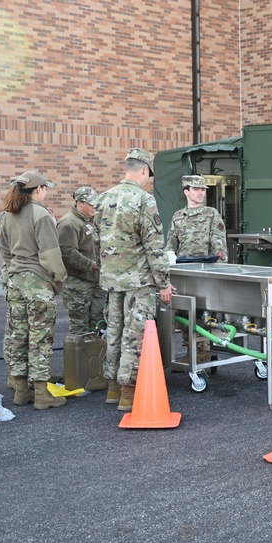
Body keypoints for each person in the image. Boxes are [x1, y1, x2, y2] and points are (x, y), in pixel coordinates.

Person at [93, 148, 175, 412]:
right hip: (139, 282)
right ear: (143, 170)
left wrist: (107, 271)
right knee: (134, 336)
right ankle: (128, 393)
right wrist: (163, 283)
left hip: (112, 281)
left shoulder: (102, 199)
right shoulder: (144, 200)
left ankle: (112, 389)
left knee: (114, 332)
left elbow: (96, 243)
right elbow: (154, 248)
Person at [0, 170, 68, 410]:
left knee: (18, 336)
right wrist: (59, 279)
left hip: (15, 281)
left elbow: (4, 252)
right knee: (40, 339)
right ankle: (41, 394)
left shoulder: (8, 214)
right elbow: (50, 255)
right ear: (38, 189)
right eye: (45, 188)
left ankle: (20, 391)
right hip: (36, 282)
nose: (46, 192)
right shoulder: (40, 215)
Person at [166, 174, 228, 363]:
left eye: (202, 190)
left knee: (203, 312)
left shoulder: (211, 214)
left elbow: (219, 245)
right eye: (196, 189)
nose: (200, 193)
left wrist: (220, 271)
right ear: (186, 192)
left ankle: (202, 351)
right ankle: (191, 351)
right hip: (184, 272)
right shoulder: (178, 216)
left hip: (205, 271)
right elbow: (170, 245)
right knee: (183, 313)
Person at [57, 186, 106, 335]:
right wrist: (91, 264)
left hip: (96, 280)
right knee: (80, 326)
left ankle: (95, 357)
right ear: (79, 203)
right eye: (91, 204)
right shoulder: (69, 223)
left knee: (98, 322)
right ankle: (80, 358)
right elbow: (67, 253)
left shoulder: (92, 220)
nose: (94, 207)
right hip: (78, 284)